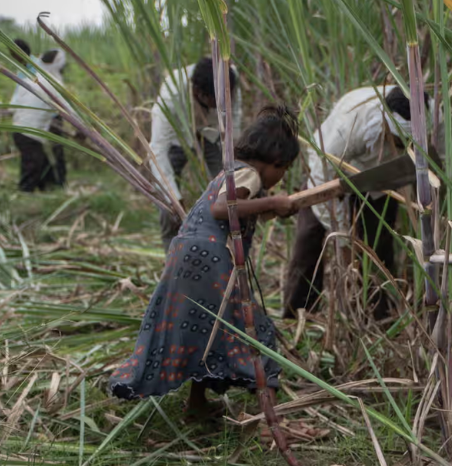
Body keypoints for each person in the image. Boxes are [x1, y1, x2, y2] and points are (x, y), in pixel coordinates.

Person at [109, 106, 303, 419]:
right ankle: (270, 423)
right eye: (285, 169)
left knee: (203, 328)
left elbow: (235, 212)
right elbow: (221, 209)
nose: (281, 177)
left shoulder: (230, 172)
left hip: (185, 254)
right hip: (210, 260)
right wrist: (273, 202)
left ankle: (197, 405)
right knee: (259, 335)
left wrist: (273, 209)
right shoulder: (250, 174)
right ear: (275, 161)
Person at [283, 85, 417, 320]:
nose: (402, 144)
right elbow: (321, 180)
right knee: (310, 237)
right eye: (398, 138)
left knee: (378, 243)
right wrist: (344, 238)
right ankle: (298, 316)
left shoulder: (431, 114)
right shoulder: (352, 125)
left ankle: (378, 317)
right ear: (385, 123)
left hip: (381, 178)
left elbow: (444, 156)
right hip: (330, 171)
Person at [150, 57, 242, 248]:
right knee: (168, 206)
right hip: (177, 138)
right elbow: (158, 150)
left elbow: (235, 120)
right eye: (216, 101)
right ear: (198, 93)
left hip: (211, 135)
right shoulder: (171, 96)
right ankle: (172, 254)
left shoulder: (229, 79)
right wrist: (175, 200)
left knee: (228, 187)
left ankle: (224, 244)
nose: (224, 103)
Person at [8, 39, 69, 192]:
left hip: (43, 119)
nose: (13, 55)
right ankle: (29, 189)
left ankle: (52, 183)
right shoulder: (45, 78)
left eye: (15, 52)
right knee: (34, 159)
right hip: (31, 125)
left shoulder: (37, 70)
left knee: (47, 153)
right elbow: (69, 108)